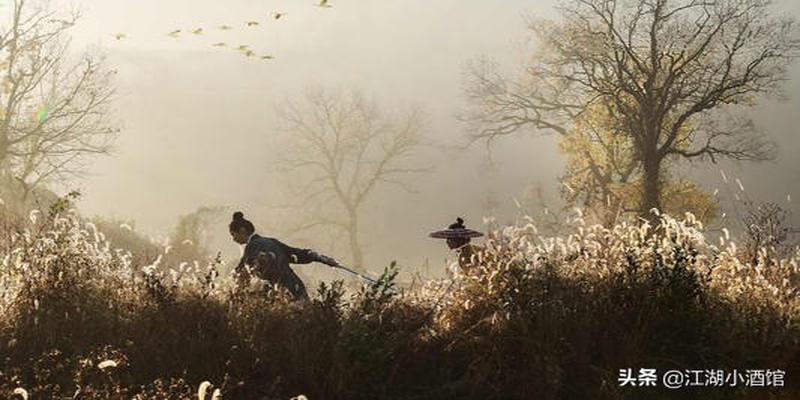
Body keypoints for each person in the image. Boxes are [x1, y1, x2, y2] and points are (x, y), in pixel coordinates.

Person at [229, 211, 339, 300]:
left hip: (281, 294)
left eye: (233, 235)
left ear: (242, 231)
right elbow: (298, 254)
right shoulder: (271, 241)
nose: (233, 239)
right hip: (296, 287)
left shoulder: (252, 246)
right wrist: (322, 259)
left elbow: (241, 271)